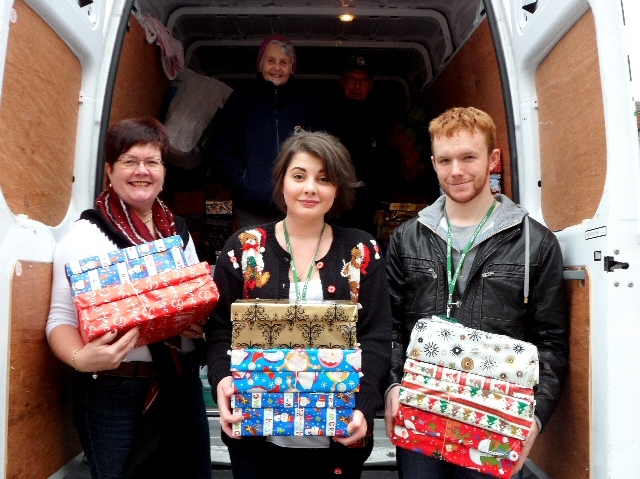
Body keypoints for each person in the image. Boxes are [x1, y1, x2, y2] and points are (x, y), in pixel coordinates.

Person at [384, 107, 569, 479]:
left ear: (493, 159)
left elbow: (551, 342)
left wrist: (534, 420)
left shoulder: (536, 242)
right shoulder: (407, 237)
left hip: (496, 419)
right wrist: (391, 386)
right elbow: (388, 325)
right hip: (422, 409)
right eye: (446, 160)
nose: (457, 171)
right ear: (433, 163)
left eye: (469, 157)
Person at [205, 130, 392, 478]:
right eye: (299, 176)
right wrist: (221, 382)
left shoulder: (361, 250)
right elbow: (219, 330)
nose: (310, 188)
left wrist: (364, 406)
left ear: (337, 189)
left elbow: (377, 336)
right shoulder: (244, 248)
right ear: (281, 183)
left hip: (338, 435)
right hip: (256, 431)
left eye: (324, 179)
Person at [46, 117, 211, 479]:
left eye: (152, 162)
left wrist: (197, 322)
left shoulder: (178, 232)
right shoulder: (86, 235)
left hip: (181, 386)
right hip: (115, 389)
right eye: (129, 161)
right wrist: (80, 358)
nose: (142, 171)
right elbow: (59, 319)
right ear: (109, 170)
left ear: (164, 171)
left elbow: (190, 301)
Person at [207, 34, 328, 228]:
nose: (277, 68)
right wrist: (242, 182)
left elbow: (324, 150)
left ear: (292, 67)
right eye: (271, 61)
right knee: (254, 257)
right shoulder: (241, 100)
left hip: (299, 209)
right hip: (251, 209)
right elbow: (222, 147)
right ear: (260, 63)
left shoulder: (307, 102)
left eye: (284, 62)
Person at [331, 55, 403, 235]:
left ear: (371, 85)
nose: (357, 86)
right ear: (342, 82)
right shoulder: (327, 116)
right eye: (352, 80)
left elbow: (389, 164)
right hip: (334, 206)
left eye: (362, 81)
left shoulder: (382, 119)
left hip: (370, 207)